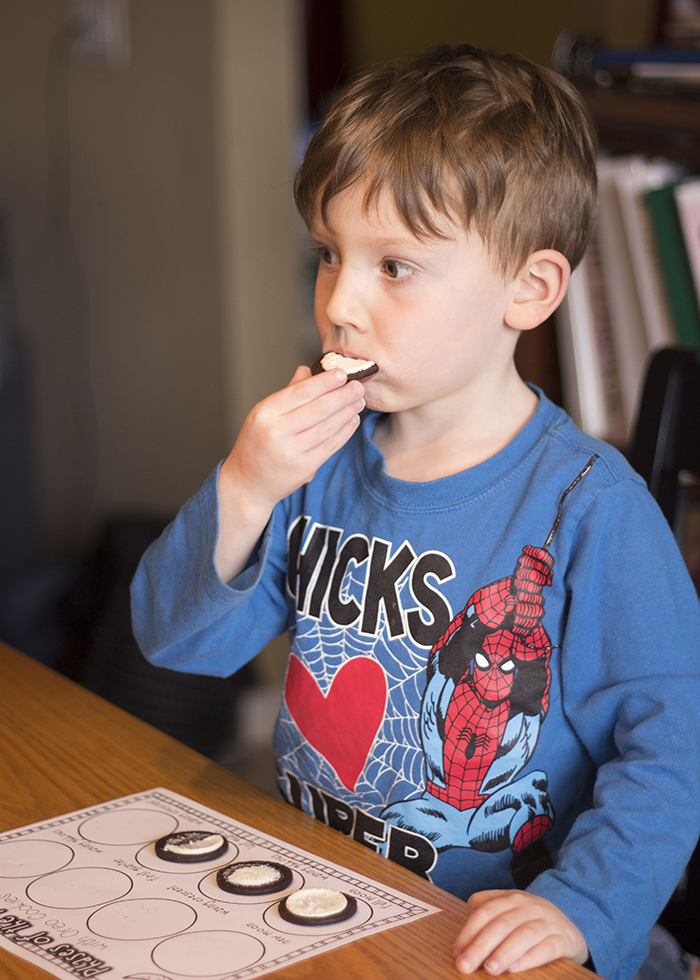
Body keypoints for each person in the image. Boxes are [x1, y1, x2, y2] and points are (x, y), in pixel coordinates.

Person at [131, 44, 700, 980]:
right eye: (327, 255)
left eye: (394, 266)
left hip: (506, 947)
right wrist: (244, 485)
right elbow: (175, 644)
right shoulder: (316, 466)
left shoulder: (591, 511)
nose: (339, 305)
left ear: (530, 289)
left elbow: (669, 755)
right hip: (334, 909)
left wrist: (581, 910)